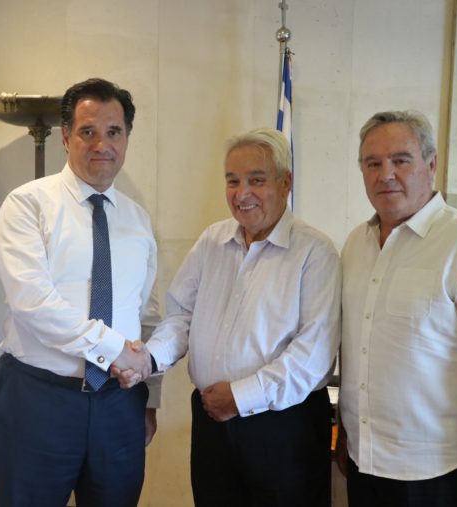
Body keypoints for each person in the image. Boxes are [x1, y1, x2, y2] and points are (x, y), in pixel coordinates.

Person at [127, 128, 340, 506]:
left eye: (256, 180)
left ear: (285, 182)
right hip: (211, 421)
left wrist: (240, 398)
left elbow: (313, 355)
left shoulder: (315, 252)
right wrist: (150, 357)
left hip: (284, 428)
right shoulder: (212, 240)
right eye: (232, 181)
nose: (242, 194)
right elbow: (180, 315)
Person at [0, 77, 160, 507]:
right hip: (38, 401)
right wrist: (114, 349)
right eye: (88, 131)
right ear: (66, 137)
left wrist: (149, 397)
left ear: (127, 138)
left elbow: (148, 313)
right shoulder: (27, 204)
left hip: (119, 404)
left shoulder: (137, 219)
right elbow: (33, 304)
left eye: (113, 132)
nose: (102, 144)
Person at [336, 110, 457, 507]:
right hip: (364, 463)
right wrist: (347, 433)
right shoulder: (355, 245)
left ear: (431, 165)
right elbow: (354, 342)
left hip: (438, 473)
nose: (386, 174)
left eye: (400, 160)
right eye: (372, 163)